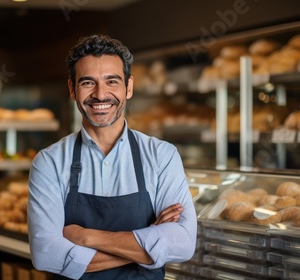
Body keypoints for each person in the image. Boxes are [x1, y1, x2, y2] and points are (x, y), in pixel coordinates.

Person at [27, 34, 197, 279]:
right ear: (72, 89)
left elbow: (182, 243)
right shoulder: (49, 162)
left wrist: (87, 237)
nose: (100, 94)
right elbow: (46, 254)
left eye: (112, 81)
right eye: (87, 82)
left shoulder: (162, 155)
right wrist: (150, 241)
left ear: (128, 87)